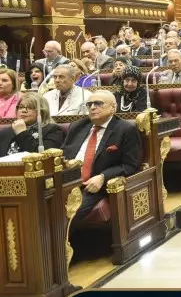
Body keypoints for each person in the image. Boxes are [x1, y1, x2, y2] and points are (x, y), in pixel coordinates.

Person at [62, 90, 142, 222]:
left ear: (113, 108)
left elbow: (129, 165)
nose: (92, 107)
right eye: (89, 104)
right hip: (68, 182)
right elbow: (64, 154)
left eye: (98, 103)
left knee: (69, 212)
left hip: (93, 186)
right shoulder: (77, 126)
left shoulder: (126, 130)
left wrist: (103, 177)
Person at [0, 92, 65, 156]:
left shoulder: (53, 130)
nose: (24, 110)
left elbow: (44, 157)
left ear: (42, 111)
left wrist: (22, 133)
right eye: (21, 107)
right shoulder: (5, 132)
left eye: (30, 107)